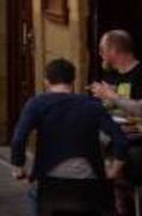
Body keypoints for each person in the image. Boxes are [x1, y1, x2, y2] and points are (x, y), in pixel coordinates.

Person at [11, 58, 129, 214]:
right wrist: (113, 171)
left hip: (50, 185)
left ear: (46, 81)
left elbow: (18, 139)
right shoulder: (92, 105)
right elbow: (121, 140)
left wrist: (19, 167)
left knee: (33, 195)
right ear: (73, 81)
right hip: (88, 185)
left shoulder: (37, 104)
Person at [90, 30, 142, 214]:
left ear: (114, 51)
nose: (100, 55)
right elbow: (113, 114)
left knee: (117, 162)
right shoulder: (112, 77)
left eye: (102, 50)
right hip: (116, 139)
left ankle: (126, 207)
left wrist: (112, 97)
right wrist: (103, 101)